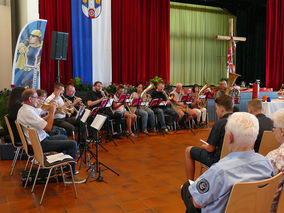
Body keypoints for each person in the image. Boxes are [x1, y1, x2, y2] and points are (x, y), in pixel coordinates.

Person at [181, 112, 275, 213]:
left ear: (229, 137)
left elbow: (197, 203)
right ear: (255, 137)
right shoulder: (266, 164)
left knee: (186, 188)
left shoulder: (219, 171)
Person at [17, 89, 85, 183]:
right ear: (30, 99)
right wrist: (52, 112)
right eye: (36, 98)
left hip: (39, 140)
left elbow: (40, 114)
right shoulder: (28, 112)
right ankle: (69, 176)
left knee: (64, 137)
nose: (38, 100)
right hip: (39, 144)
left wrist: (50, 110)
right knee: (72, 144)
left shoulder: (25, 109)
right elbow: (48, 128)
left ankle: (65, 167)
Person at [185, 95, 233, 180]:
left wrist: (204, 146)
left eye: (216, 108)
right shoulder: (238, 120)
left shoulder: (220, 123)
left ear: (222, 109)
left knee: (188, 150)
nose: (216, 111)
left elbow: (210, 148)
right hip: (233, 157)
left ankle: (189, 183)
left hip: (218, 160)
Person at [266, 108, 284, 212]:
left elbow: (265, 191)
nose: (273, 133)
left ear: (282, 131)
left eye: (274, 129)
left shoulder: (275, 156)